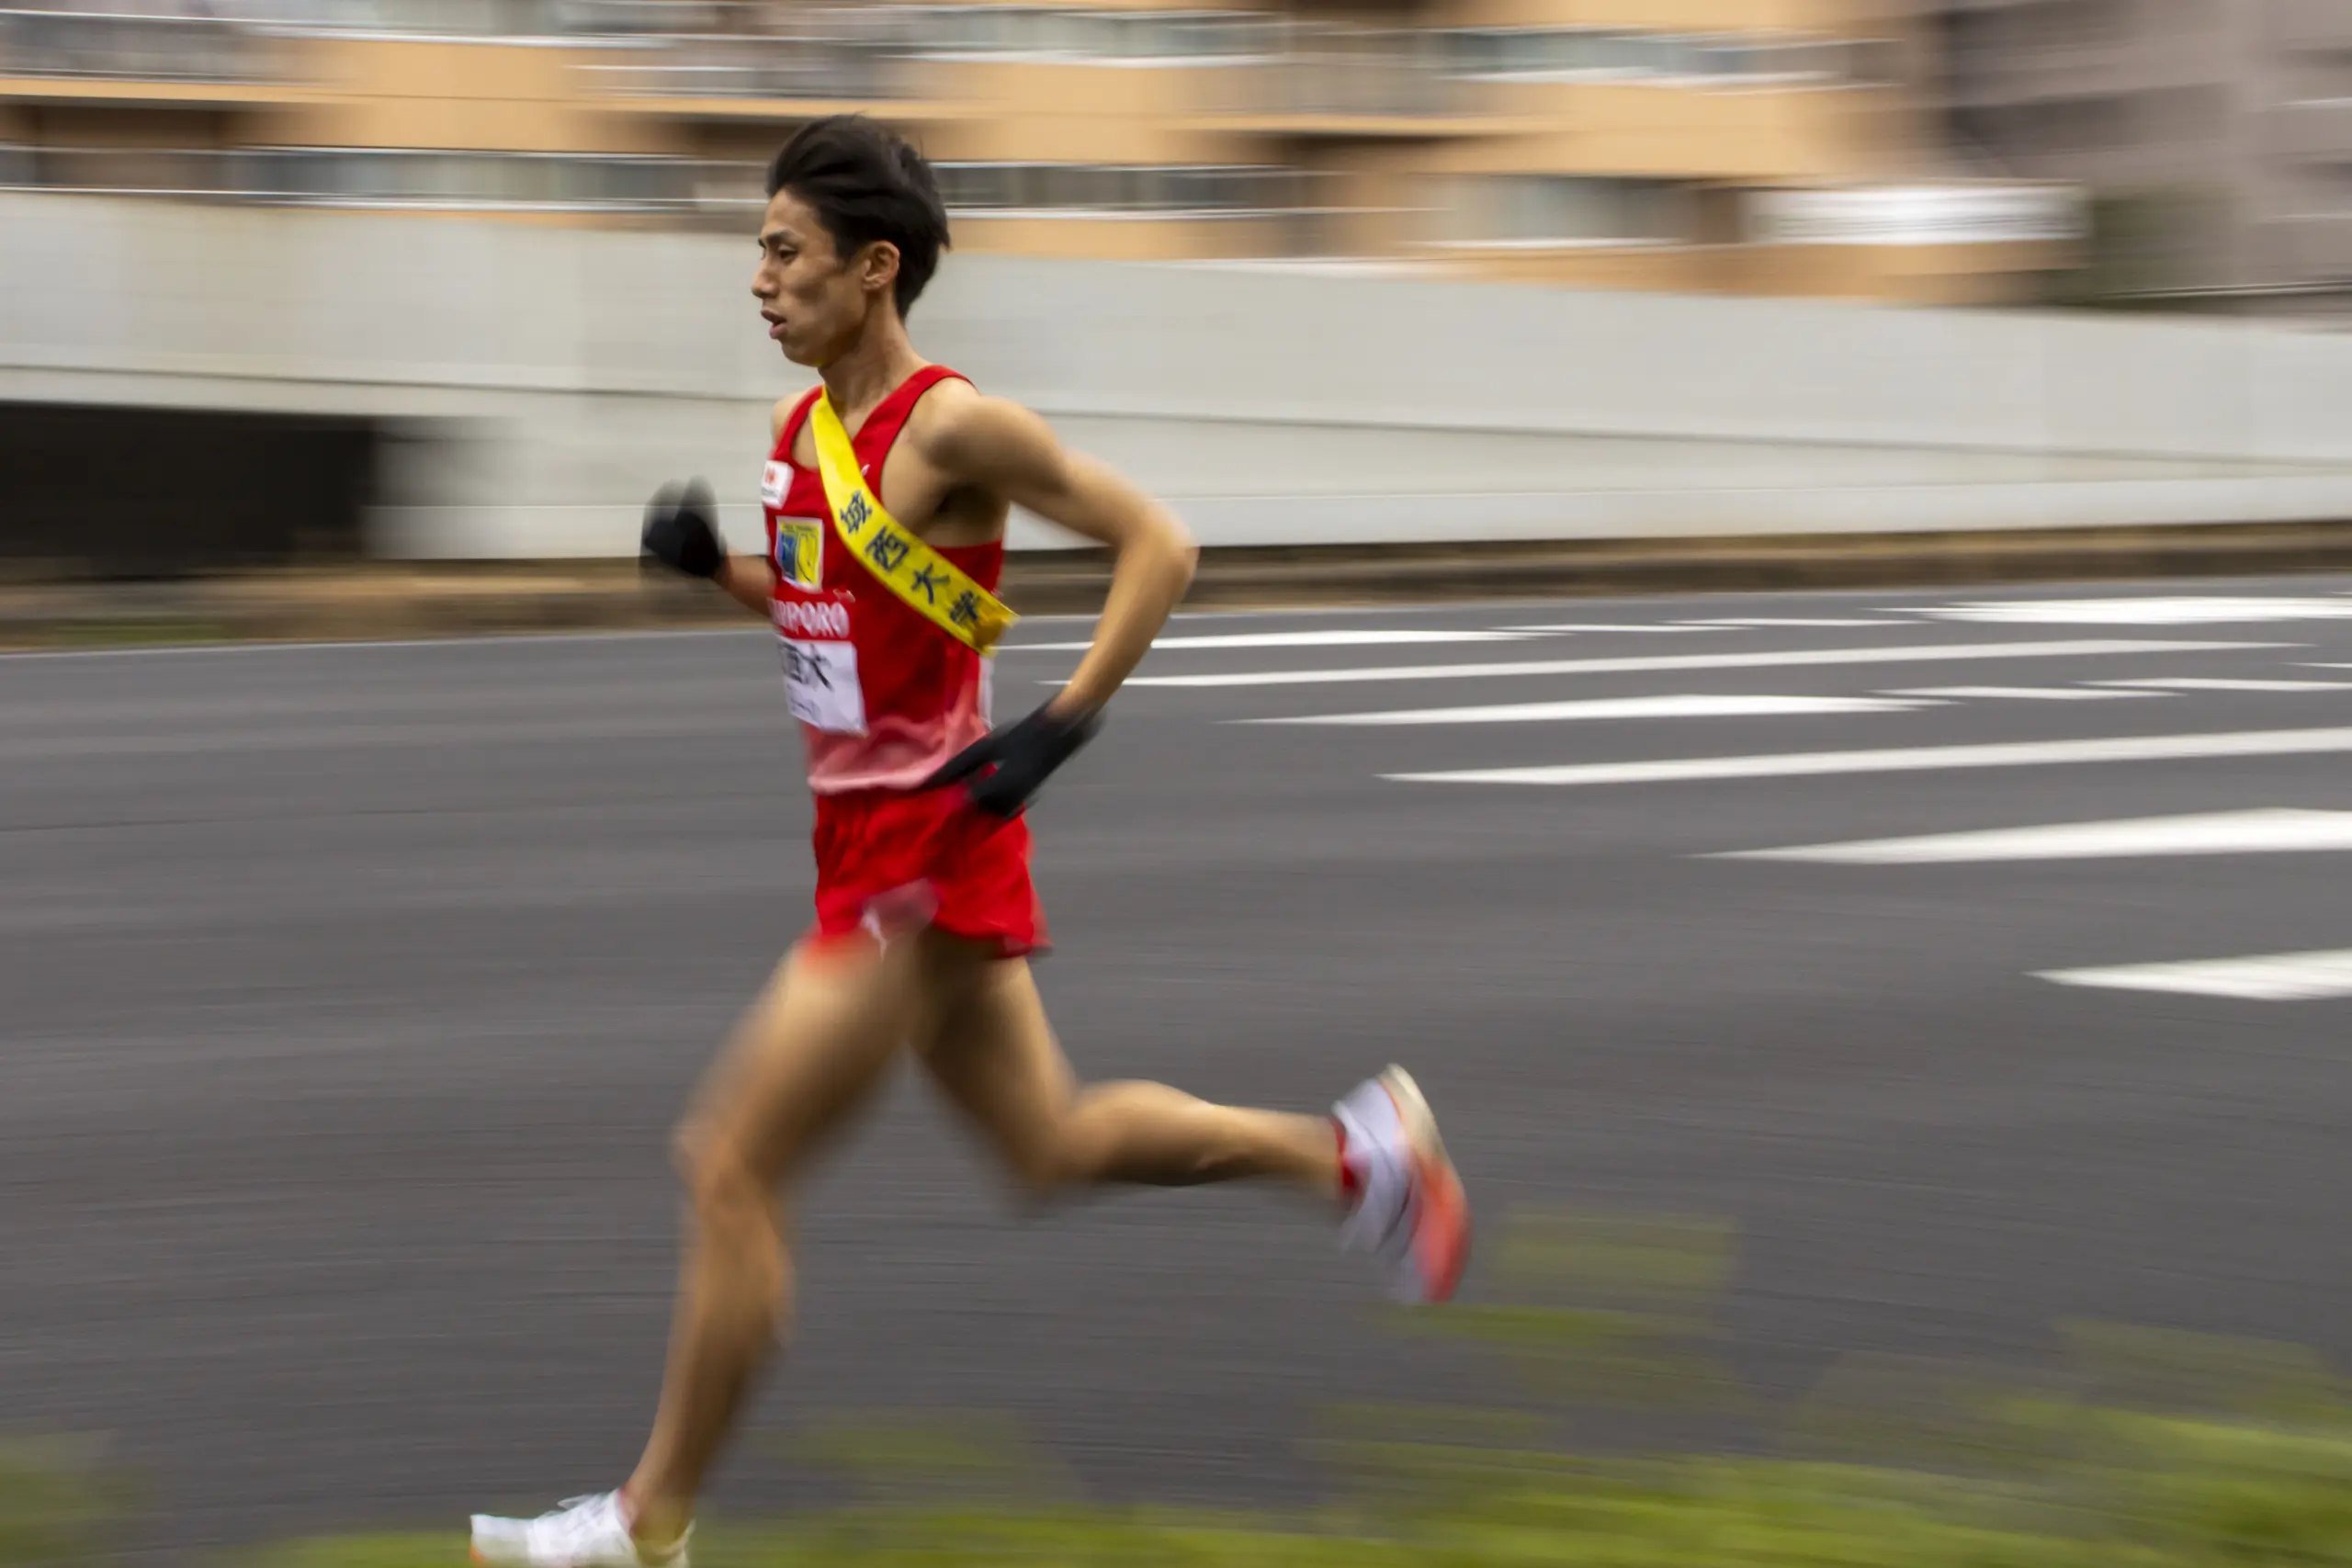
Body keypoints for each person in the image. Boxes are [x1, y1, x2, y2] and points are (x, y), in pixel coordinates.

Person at [469, 114, 1469, 1568]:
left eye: (784, 252)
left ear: (873, 269)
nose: (758, 278)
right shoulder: (794, 436)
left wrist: (1060, 724)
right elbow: (842, 620)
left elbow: (1159, 543)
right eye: (756, 249)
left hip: (928, 858)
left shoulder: (952, 425)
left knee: (728, 1163)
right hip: (861, 845)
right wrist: (723, 577)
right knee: (1049, 1144)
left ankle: (645, 1523)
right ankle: (1361, 1156)